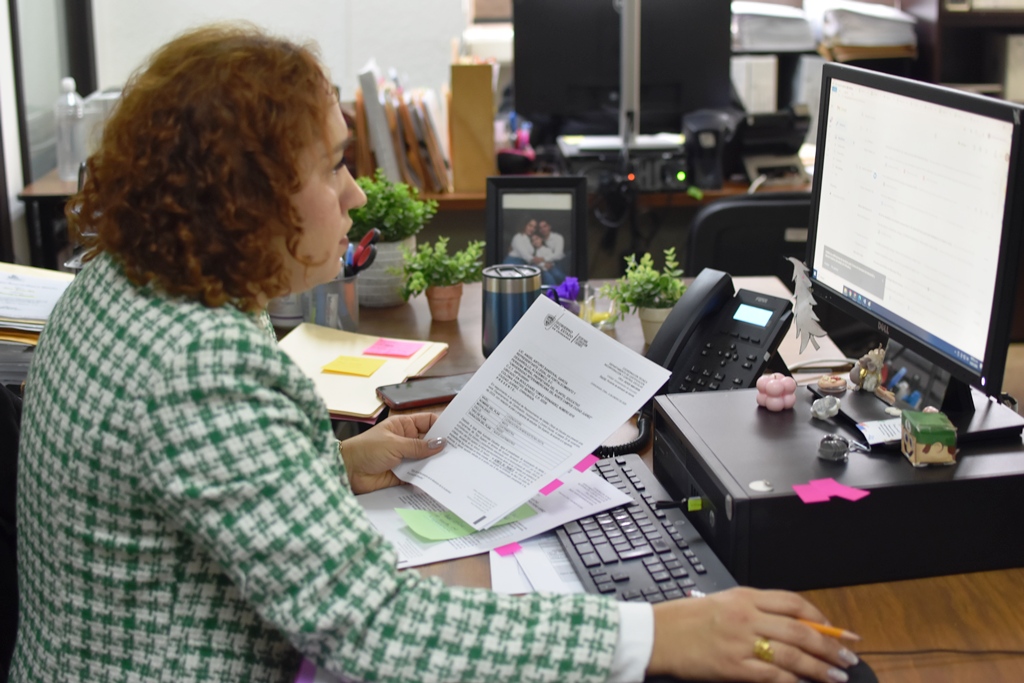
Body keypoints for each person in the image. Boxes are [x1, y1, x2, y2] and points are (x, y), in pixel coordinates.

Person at [13, 24, 860, 683]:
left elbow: (181, 480)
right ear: (243, 197)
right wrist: (657, 633)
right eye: (333, 167)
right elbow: (377, 629)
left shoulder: (116, 282)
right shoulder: (202, 364)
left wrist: (335, 461)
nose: (354, 193)